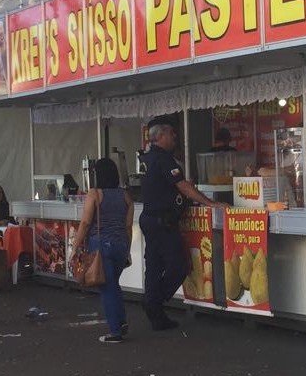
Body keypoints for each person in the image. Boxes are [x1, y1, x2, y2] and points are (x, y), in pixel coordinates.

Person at [139, 116, 229, 331]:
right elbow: (183, 186)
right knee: (179, 267)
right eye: (171, 133)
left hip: (150, 219)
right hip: (163, 222)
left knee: (153, 267)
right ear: (160, 136)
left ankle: (155, 312)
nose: (175, 137)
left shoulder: (147, 158)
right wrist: (210, 203)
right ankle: (154, 303)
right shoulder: (164, 159)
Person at [70, 157, 134, 344]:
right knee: (114, 286)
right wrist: (127, 249)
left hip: (101, 247)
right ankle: (120, 322)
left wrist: (74, 248)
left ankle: (115, 331)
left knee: (107, 289)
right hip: (121, 246)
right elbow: (128, 226)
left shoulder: (95, 194)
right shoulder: (125, 195)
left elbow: (86, 222)